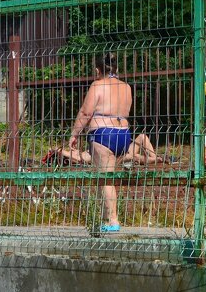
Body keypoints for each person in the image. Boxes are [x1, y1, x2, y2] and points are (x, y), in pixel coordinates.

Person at [68, 52, 132, 232]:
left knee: (105, 180)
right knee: (109, 179)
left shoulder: (97, 85)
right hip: (124, 134)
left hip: (103, 134)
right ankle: (109, 218)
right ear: (116, 69)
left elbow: (86, 113)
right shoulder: (126, 87)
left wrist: (74, 134)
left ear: (97, 70)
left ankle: (111, 221)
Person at [43, 133, 161, 168]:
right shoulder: (82, 156)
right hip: (114, 158)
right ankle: (156, 160)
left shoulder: (85, 152)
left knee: (142, 137)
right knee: (132, 156)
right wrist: (57, 151)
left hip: (118, 151)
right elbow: (77, 158)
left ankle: (155, 157)